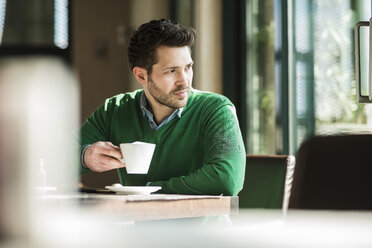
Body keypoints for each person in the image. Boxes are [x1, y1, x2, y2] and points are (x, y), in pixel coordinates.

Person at [79, 19, 246, 195]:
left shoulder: (215, 110)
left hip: (197, 223)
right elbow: (55, 159)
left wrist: (151, 190)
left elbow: (227, 179)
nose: (185, 81)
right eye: (171, 71)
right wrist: (85, 157)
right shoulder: (115, 110)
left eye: (188, 67)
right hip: (136, 221)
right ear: (141, 76)